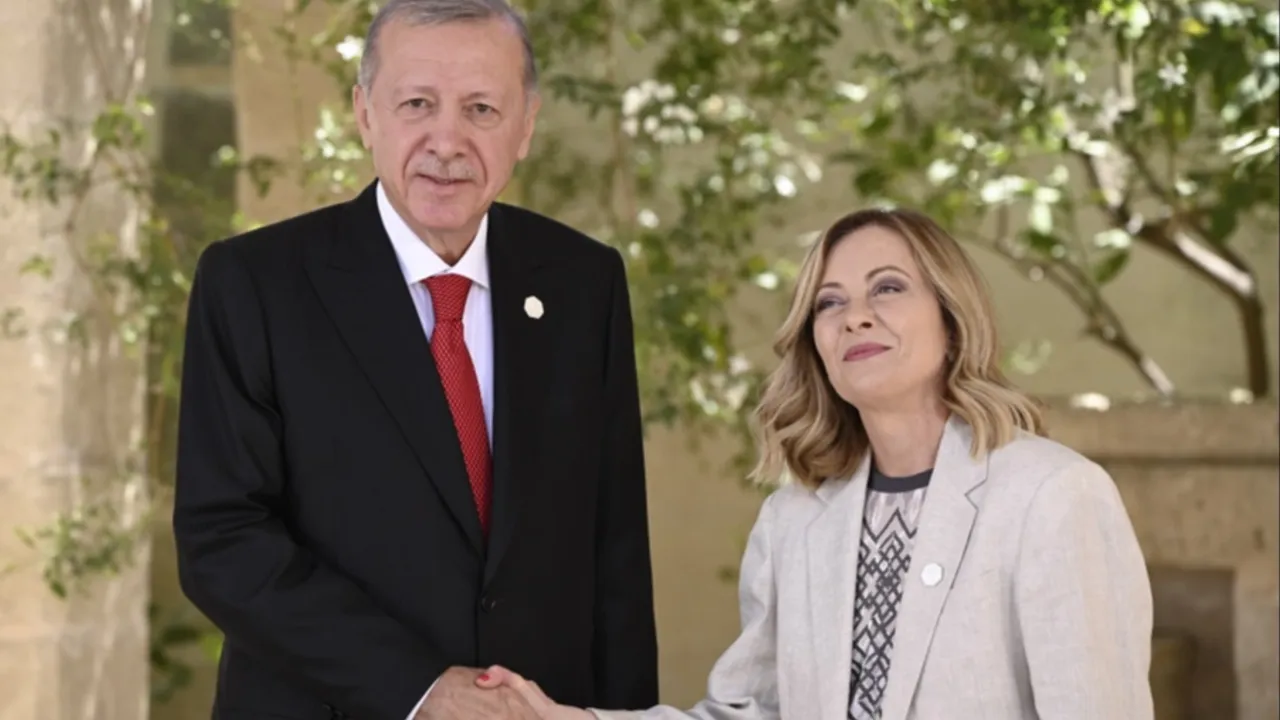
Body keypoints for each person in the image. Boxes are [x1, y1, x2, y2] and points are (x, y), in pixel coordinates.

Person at [171, 0, 659, 718]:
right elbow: (223, 541)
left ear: (526, 125)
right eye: (417, 104)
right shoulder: (254, 283)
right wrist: (421, 688)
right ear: (365, 114)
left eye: (481, 109)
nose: (447, 141)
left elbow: (614, 548)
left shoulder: (582, 282)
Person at [475, 207, 1155, 719]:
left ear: (951, 320)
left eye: (888, 289)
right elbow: (749, 714)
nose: (855, 316)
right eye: (830, 302)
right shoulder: (793, 521)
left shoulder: (1053, 494)